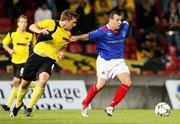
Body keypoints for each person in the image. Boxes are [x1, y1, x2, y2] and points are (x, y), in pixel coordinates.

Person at [10, 9, 79, 117]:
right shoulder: (52, 23)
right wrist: (39, 31)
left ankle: (29, 108)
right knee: (24, 85)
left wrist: (61, 52)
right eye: (73, 22)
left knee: (43, 82)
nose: (74, 25)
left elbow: (62, 47)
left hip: (49, 60)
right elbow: (32, 26)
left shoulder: (68, 34)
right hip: (35, 57)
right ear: (66, 20)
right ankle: (18, 105)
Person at [71, 11, 132, 117]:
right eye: (117, 20)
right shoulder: (102, 32)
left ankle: (111, 106)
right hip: (105, 61)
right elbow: (87, 36)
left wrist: (125, 20)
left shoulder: (124, 27)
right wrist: (76, 37)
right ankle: (85, 104)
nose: (119, 22)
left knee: (127, 82)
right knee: (100, 85)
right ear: (111, 20)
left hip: (119, 61)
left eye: (120, 20)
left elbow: (127, 22)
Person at [0, 15, 37, 111]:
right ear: (18, 23)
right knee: (20, 83)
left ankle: (8, 105)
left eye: (25, 22)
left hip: (25, 62)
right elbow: (4, 44)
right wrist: (9, 50)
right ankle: (39, 86)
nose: (24, 24)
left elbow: (36, 47)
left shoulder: (31, 35)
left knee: (16, 81)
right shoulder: (12, 33)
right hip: (15, 62)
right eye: (22, 22)